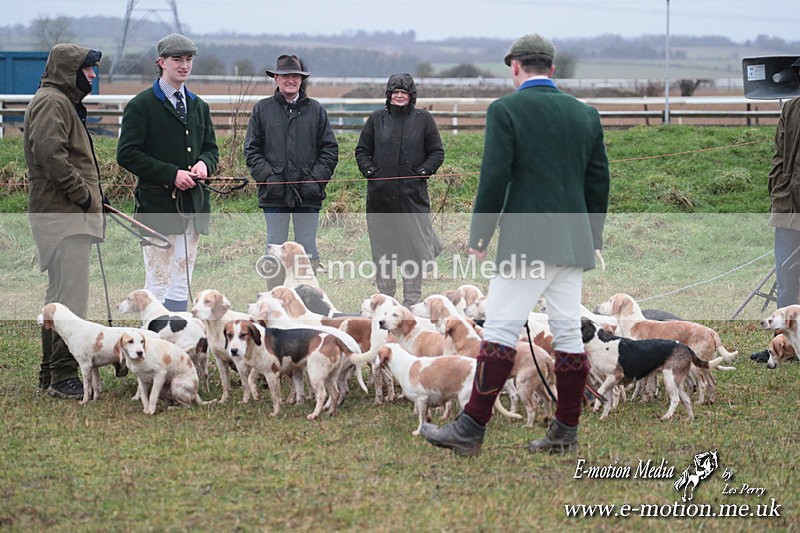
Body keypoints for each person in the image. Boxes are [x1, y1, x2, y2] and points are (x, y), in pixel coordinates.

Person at [420, 33, 610, 456]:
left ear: (515, 67)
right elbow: (599, 182)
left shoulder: (505, 110)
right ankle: (565, 431)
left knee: (500, 333)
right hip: (572, 242)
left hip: (527, 242)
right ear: (552, 68)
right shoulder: (586, 115)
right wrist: (591, 236)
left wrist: (480, 236)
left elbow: (494, 178)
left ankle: (470, 429)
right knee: (567, 336)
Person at [25, 44, 105, 399]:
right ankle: (63, 375)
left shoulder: (58, 101)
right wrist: (85, 195)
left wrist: (95, 196)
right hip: (64, 215)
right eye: (87, 69)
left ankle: (49, 372)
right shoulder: (53, 102)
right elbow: (50, 155)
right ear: (69, 69)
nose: (92, 75)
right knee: (71, 298)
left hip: (66, 213)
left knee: (58, 299)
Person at [117, 33, 219, 312]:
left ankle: (174, 342)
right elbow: (126, 154)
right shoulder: (141, 105)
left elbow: (211, 148)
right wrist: (171, 174)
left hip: (193, 205)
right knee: (158, 280)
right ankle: (152, 342)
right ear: (161, 62)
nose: (184, 65)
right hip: (158, 205)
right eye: (177, 59)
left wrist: (204, 164)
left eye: (188, 59)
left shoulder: (199, 106)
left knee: (181, 278)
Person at [244, 54, 338, 288]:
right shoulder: (262, 110)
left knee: (307, 248)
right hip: (274, 194)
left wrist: (316, 180)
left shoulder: (316, 110)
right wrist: (269, 177)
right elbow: (252, 150)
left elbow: (329, 149)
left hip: (308, 193)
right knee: (275, 247)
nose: (290, 80)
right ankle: (276, 299)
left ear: (301, 80)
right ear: (276, 78)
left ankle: (309, 300)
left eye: (295, 76)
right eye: (285, 76)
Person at [355, 73, 445, 307]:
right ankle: (386, 299)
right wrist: (370, 172)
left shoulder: (424, 119)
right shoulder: (376, 119)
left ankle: (412, 301)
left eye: (403, 93)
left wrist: (424, 171)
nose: (398, 96)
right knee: (384, 249)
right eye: (395, 92)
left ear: (411, 96)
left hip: (412, 198)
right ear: (388, 95)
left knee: (412, 248)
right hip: (380, 198)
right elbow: (362, 151)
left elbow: (437, 152)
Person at [751, 57, 800, 363]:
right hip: (788, 208)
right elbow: (779, 156)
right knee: (787, 282)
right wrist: (778, 188)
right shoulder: (791, 108)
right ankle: (782, 347)